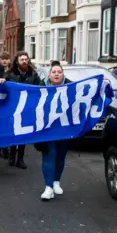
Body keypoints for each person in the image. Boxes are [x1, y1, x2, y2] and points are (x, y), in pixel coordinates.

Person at [37, 62, 71, 200]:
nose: (56, 74)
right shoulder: (40, 87)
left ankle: (56, 181)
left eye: (59, 72)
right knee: (49, 155)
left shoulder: (72, 87)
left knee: (60, 156)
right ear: (49, 75)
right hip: (47, 129)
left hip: (64, 128)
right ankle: (48, 187)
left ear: (63, 74)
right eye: (54, 72)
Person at [5, 51, 41, 169]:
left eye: (26, 59)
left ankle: (20, 158)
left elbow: (39, 88)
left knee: (23, 133)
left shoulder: (33, 74)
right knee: (12, 132)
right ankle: (12, 155)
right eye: (22, 60)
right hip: (13, 107)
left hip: (27, 108)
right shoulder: (10, 74)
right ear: (17, 61)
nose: (25, 62)